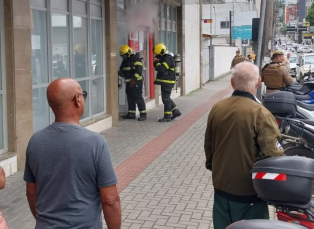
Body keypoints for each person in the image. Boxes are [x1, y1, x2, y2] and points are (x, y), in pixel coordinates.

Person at [23, 78, 121, 229]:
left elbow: (31, 193)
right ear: (77, 100)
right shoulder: (95, 143)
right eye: (83, 95)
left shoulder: (35, 141)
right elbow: (110, 200)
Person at [204, 61, 284, 229]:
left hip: (221, 187)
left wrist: (215, 167)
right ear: (258, 82)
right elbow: (274, 157)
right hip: (249, 192)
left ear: (232, 82)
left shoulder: (217, 107)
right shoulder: (260, 113)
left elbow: (209, 145)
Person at [153, 43, 181, 122]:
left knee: (165, 99)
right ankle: (176, 111)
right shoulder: (164, 58)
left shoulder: (168, 58)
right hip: (166, 82)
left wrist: (156, 62)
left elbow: (162, 69)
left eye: (157, 54)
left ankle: (167, 116)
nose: (156, 56)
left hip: (168, 82)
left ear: (161, 52)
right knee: (166, 98)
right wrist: (156, 62)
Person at [119, 44, 147, 121]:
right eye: (122, 56)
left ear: (128, 52)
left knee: (138, 98)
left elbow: (139, 70)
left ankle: (143, 114)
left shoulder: (135, 58)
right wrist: (121, 72)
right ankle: (131, 114)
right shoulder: (125, 60)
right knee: (130, 98)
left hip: (136, 82)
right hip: (128, 83)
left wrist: (134, 79)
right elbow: (122, 69)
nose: (123, 57)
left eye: (124, 55)